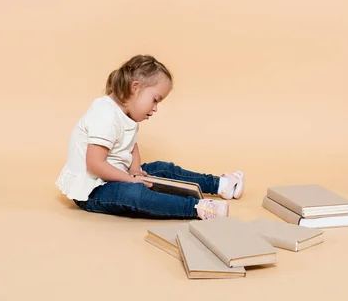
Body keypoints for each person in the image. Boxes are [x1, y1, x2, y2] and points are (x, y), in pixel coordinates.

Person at [55, 54, 243, 220]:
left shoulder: (127, 115)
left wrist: (135, 170)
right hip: (92, 189)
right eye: (155, 100)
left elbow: (131, 145)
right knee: (135, 193)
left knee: (162, 169)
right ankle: (196, 208)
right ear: (135, 87)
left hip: (115, 175)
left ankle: (221, 185)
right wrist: (130, 180)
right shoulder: (105, 114)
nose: (155, 108)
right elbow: (95, 164)